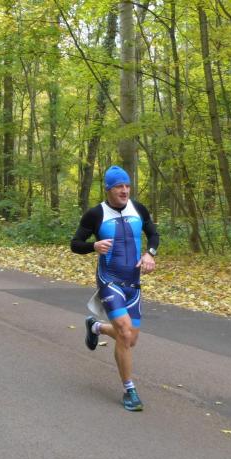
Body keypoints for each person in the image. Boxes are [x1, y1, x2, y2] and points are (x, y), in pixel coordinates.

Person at [70, 166, 159, 411]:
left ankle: (95, 327)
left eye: (127, 186)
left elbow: (153, 234)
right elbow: (75, 244)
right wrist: (93, 246)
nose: (124, 190)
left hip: (133, 283)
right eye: (119, 186)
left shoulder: (138, 209)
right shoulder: (95, 214)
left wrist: (150, 253)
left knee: (131, 338)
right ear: (108, 189)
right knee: (125, 332)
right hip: (109, 280)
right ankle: (129, 390)